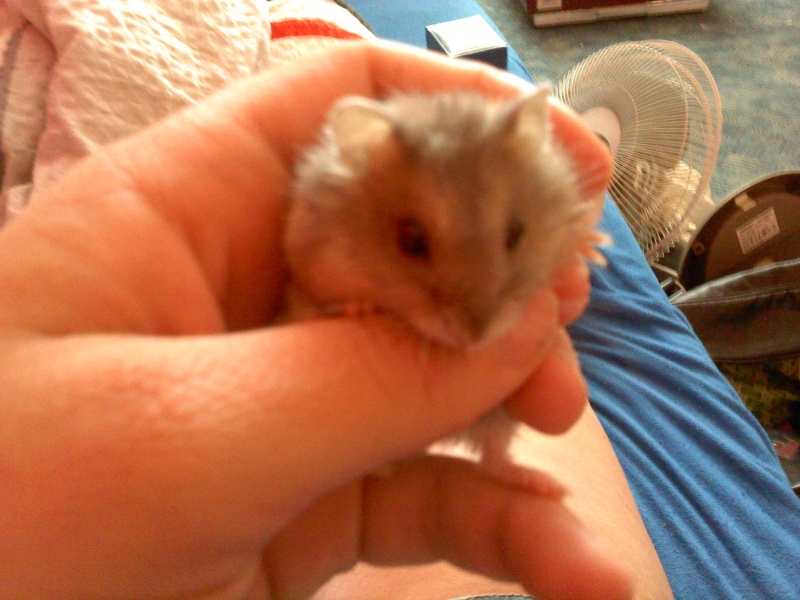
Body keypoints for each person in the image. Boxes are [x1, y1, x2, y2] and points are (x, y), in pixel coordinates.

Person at [0, 41, 674, 599]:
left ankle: (497, 461)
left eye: (511, 234)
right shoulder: (338, 201)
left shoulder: (533, 181)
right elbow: (311, 263)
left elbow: (561, 221)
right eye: (415, 242)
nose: (476, 315)